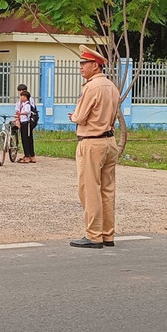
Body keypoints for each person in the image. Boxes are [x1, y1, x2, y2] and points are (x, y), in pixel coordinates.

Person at [68, 45, 120, 249]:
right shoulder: (112, 87)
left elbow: (80, 117)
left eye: (84, 63)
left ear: (95, 66)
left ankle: (94, 235)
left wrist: (73, 116)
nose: (81, 67)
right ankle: (108, 234)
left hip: (91, 142)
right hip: (109, 141)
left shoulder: (91, 87)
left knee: (90, 189)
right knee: (107, 190)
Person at [16, 90, 36, 163]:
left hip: (26, 123)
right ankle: (30, 155)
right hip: (23, 122)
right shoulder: (23, 104)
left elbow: (27, 112)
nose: (21, 97)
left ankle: (27, 156)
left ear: (26, 97)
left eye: (22, 96)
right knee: (27, 139)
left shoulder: (27, 105)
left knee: (26, 140)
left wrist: (20, 113)